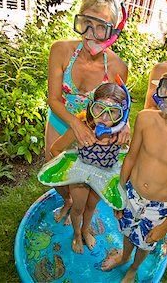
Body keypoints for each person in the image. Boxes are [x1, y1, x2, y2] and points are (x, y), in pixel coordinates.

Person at [101, 61, 167, 282]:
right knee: (127, 231)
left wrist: (166, 225)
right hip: (131, 194)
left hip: (158, 207)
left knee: (146, 242)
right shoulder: (145, 118)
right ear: (161, 88)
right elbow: (130, 157)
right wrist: (119, 196)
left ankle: (133, 268)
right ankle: (123, 256)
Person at [45, 0, 129, 224]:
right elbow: (53, 99)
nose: (90, 33)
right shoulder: (60, 50)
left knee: (89, 176)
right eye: (86, 23)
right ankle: (67, 201)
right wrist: (74, 123)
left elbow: (117, 104)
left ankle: (82, 211)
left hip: (92, 129)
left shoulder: (117, 67)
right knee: (54, 171)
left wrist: (125, 124)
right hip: (61, 119)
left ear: (113, 31)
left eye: (100, 26)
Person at [38, 83, 129, 253]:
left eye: (113, 112)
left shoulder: (120, 135)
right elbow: (55, 149)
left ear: (122, 116)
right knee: (78, 208)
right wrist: (66, 174)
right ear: (90, 107)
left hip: (102, 176)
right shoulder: (82, 129)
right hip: (80, 176)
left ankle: (85, 230)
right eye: (98, 109)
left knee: (91, 207)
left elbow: (129, 157)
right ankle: (77, 235)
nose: (103, 117)